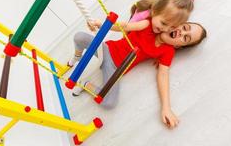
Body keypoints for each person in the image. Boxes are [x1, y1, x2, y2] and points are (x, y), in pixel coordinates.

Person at [68, 21, 207, 129]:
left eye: (185, 38)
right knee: (79, 36)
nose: (181, 33)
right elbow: (126, 25)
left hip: (115, 70)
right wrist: (103, 24)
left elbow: (163, 75)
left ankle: (86, 84)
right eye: (184, 27)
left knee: (109, 102)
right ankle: (76, 56)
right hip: (106, 49)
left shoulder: (168, 51)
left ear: (179, 46)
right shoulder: (151, 25)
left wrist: (166, 107)